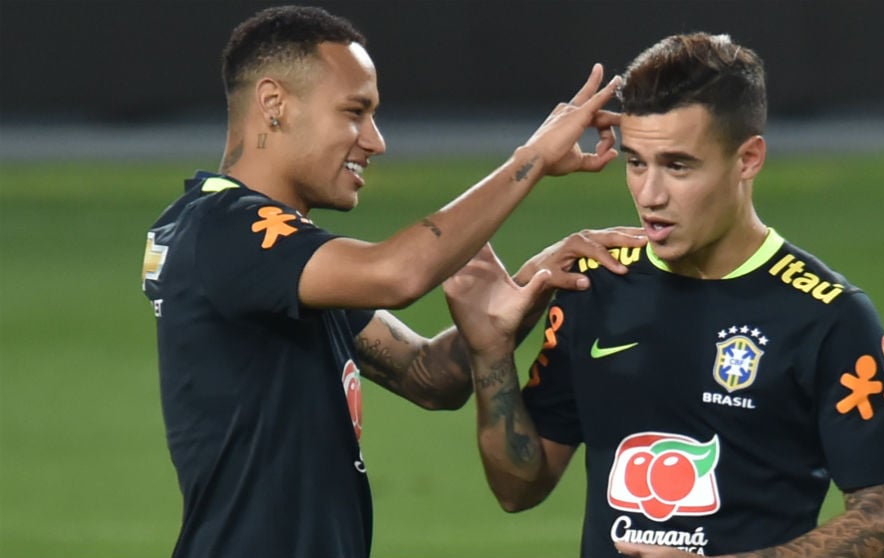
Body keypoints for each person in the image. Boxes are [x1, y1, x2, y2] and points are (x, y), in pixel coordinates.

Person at [139, 5, 646, 558]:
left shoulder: (283, 259)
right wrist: (531, 161)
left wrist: (531, 285)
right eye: (355, 111)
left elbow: (427, 376)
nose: (375, 140)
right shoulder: (223, 229)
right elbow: (398, 273)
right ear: (274, 103)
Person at [444, 32, 884, 557]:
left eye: (678, 165)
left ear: (748, 159)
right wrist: (491, 356)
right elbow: (518, 487)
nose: (651, 196)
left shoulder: (828, 315)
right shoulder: (594, 285)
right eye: (636, 163)